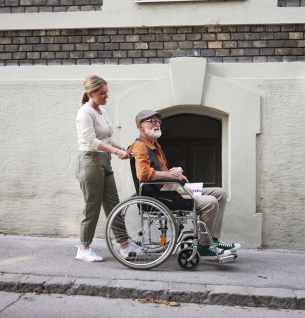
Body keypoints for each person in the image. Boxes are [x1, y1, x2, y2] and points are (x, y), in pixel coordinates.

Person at [128, 110, 241, 260]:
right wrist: (169, 175)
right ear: (140, 126)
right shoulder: (140, 145)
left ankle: (214, 240)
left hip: (169, 188)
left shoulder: (156, 146)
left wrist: (174, 173)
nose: (156, 124)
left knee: (220, 193)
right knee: (211, 202)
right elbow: (143, 174)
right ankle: (205, 246)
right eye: (152, 121)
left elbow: (160, 172)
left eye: (158, 121)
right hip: (159, 194)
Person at [75, 75, 143, 262]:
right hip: (90, 162)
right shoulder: (85, 112)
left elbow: (104, 137)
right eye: (102, 93)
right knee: (92, 206)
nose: (107, 96)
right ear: (91, 93)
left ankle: (124, 244)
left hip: (104, 162)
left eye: (107, 92)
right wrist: (114, 151)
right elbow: (91, 140)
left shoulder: (101, 111)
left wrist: (120, 148)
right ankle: (83, 248)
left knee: (114, 204)